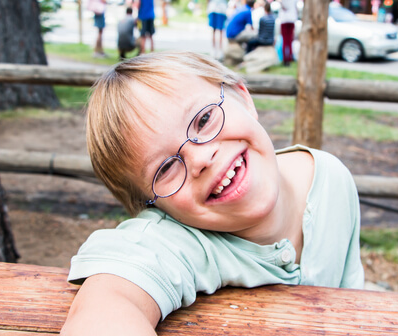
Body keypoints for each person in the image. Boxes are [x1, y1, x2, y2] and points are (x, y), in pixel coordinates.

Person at [60, 51, 364, 335]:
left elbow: (354, 303)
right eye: (165, 168)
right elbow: (109, 303)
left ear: (244, 98)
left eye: (204, 119)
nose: (200, 159)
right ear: (153, 208)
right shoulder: (178, 241)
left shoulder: (329, 178)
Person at [278, 0, 298, 66]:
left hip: (285, 20)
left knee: (285, 41)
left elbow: (283, 6)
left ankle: (286, 59)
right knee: (289, 41)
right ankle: (289, 58)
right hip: (291, 19)